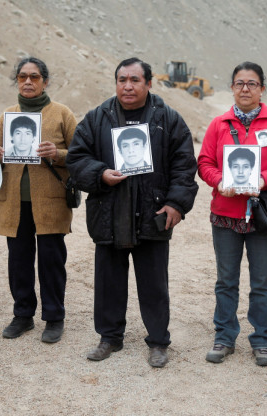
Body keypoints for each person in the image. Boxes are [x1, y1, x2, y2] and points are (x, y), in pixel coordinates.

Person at [66, 57, 198, 368]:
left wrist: (176, 204)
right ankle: (109, 337)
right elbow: (76, 158)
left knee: (154, 283)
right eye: (122, 79)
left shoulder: (169, 119)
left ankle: (158, 342)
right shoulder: (97, 118)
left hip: (153, 214)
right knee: (108, 280)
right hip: (108, 213)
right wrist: (99, 175)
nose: (128, 85)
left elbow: (184, 165)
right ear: (116, 83)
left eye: (135, 80)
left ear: (149, 84)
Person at [197, 61, 267, 366]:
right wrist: (219, 181)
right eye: (239, 83)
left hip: (262, 216)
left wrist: (263, 180)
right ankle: (225, 336)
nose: (245, 89)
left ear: (262, 89)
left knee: (261, 281)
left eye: (252, 83)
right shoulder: (218, 125)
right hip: (225, 214)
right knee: (226, 280)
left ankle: (262, 340)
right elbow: (204, 163)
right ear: (232, 88)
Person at [0, 57, 77, 343]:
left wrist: (58, 154)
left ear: (45, 81)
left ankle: (54, 317)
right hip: (13, 201)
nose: (28, 81)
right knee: (19, 261)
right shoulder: (7, 115)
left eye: (34, 77)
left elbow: (82, 156)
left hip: (50, 201)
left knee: (51, 261)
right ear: (17, 80)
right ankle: (23, 315)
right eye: (23, 76)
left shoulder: (62, 114)